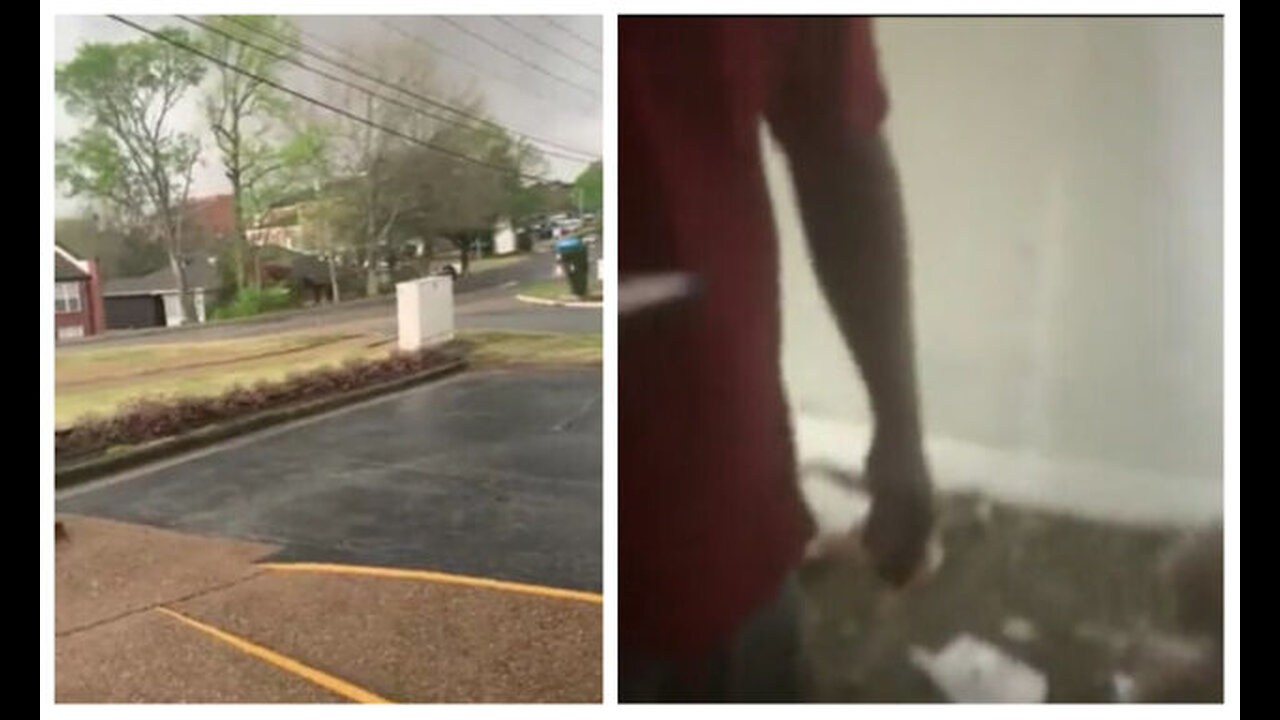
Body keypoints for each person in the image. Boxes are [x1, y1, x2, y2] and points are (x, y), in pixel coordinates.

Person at [620, 17, 934, 701]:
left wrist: (901, 428)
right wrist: (900, 429)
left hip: (714, 522)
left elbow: (839, 149)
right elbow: (840, 154)